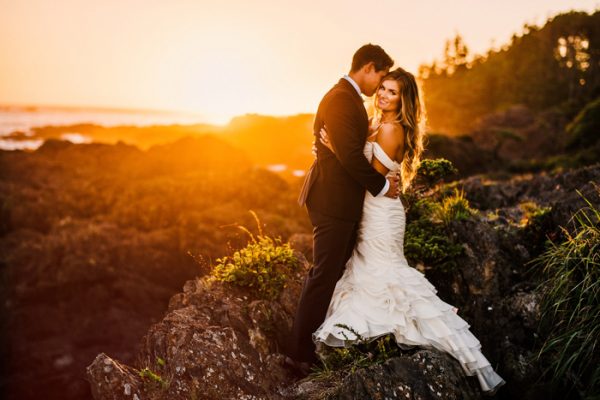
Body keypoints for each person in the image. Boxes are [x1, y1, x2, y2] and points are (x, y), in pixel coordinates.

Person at [313, 67, 506, 394]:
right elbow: (366, 172)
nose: (384, 95)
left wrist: (336, 150)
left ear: (404, 100)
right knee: (370, 273)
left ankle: (437, 343)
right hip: (372, 210)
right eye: (383, 89)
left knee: (387, 275)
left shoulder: (392, 130)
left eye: (392, 92)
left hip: (381, 213)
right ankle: (373, 340)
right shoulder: (377, 124)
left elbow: (367, 180)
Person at [287, 44, 398, 374]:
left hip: (341, 201)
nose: (378, 86)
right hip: (332, 202)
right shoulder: (340, 99)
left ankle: (320, 343)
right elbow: (349, 157)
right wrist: (381, 186)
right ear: (366, 67)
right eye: (379, 76)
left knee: (335, 274)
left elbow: (345, 149)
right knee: (324, 275)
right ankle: (298, 355)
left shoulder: (349, 100)